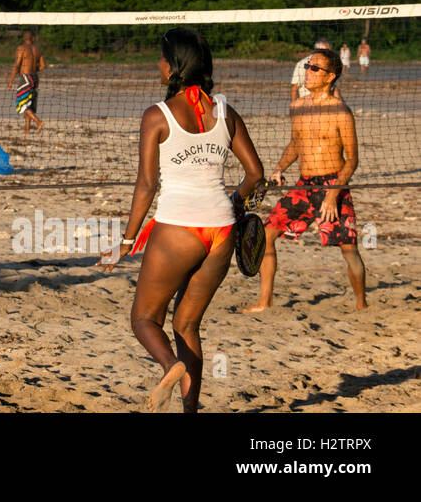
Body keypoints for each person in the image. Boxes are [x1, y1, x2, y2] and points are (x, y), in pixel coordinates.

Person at [103, 29, 263, 412]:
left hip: (179, 227)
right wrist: (235, 206)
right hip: (221, 230)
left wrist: (126, 243)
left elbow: (146, 185)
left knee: (144, 319)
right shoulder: (225, 111)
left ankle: (170, 366)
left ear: (173, 65)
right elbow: (256, 174)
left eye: (161, 57)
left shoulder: (156, 115)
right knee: (187, 326)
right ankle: (190, 409)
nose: (156, 64)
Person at [245, 48, 365, 312]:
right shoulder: (298, 106)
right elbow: (296, 144)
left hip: (333, 184)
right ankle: (265, 302)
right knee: (266, 235)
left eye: (314, 69)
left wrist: (333, 195)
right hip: (304, 185)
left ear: (330, 76)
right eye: (307, 66)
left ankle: (361, 305)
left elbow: (352, 161)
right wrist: (278, 168)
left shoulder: (340, 112)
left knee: (348, 249)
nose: (307, 72)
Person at [7, 29, 46, 134]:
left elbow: (16, 65)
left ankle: (38, 122)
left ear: (24, 38)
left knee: (22, 104)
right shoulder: (38, 49)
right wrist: (34, 70)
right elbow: (43, 66)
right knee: (29, 103)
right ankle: (27, 129)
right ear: (32, 38)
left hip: (25, 78)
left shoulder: (21, 48)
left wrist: (10, 81)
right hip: (35, 78)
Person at [291, 38, 334, 102]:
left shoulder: (331, 64)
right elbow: (294, 88)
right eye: (327, 52)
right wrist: (294, 107)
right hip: (307, 105)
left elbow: (333, 88)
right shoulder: (302, 63)